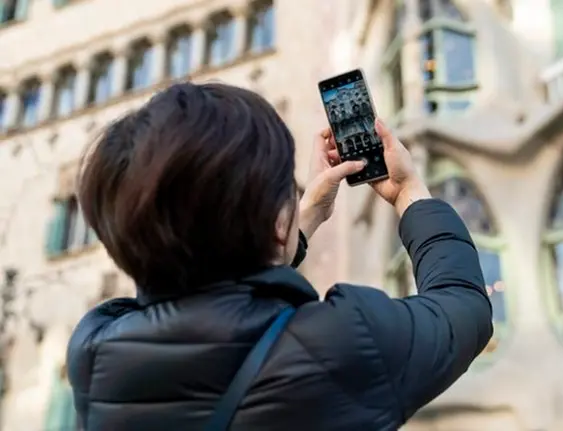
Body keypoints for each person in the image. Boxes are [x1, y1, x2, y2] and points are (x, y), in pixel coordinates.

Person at [67, 82, 493, 430]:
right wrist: (408, 192)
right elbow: (465, 306)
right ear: (274, 221)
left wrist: (300, 220)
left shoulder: (95, 351)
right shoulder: (342, 342)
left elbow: (215, 298)